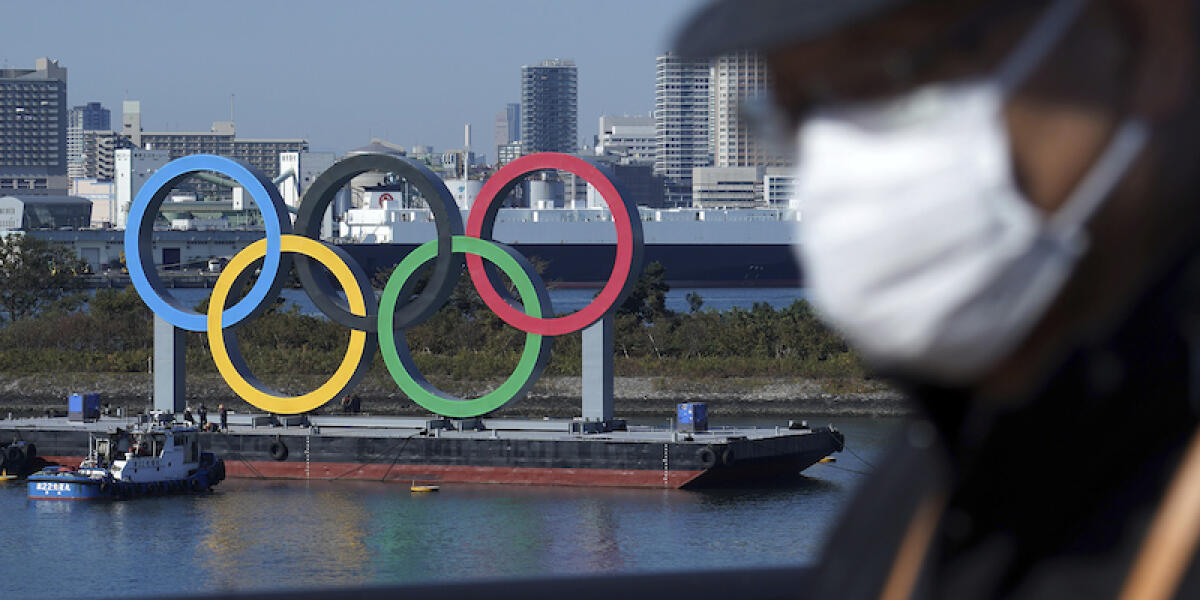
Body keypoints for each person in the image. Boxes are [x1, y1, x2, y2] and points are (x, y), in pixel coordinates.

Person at [675, 0, 1200, 598]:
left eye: (902, 69)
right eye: (800, 106)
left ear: (1145, 42)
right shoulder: (920, 492)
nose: (850, 155)